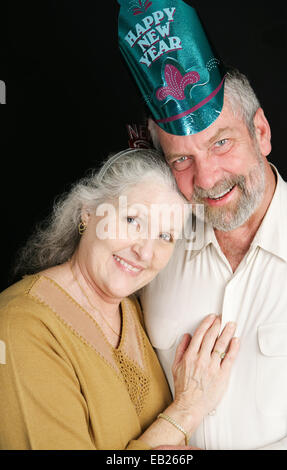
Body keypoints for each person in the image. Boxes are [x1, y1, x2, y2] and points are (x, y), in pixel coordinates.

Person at [118, 0, 287, 450]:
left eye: (221, 143)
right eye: (182, 159)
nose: (207, 179)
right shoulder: (151, 250)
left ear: (261, 132)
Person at [0, 149, 239, 450]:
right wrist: (187, 410)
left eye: (165, 237)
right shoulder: (19, 328)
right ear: (88, 212)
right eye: (132, 220)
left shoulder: (135, 311)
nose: (145, 252)